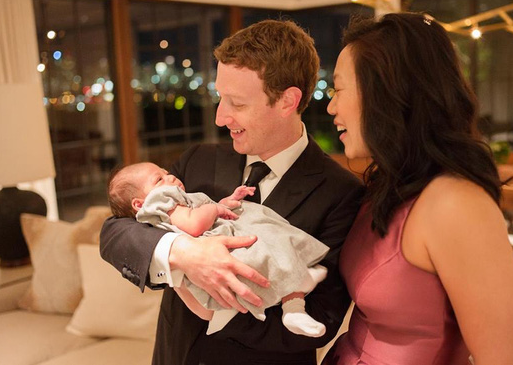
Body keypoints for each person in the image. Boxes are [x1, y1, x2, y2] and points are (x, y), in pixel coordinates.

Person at [100, 19, 365, 365]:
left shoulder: (341, 192)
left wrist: (218, 311)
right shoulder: (197, 161)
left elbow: (322, 318)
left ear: (288, 101)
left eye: (236, 103)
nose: (220, 117)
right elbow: (115, 231)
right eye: (219, 98)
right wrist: (183, 253)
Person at [322, 13, 513, 365]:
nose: (330, 106)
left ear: (388, 91)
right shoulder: (388, 184)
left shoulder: (457, 204)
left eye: (338, 90)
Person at [107, 161, 330, 337]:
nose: (170, 176)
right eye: (159, 178)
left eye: (166, 172)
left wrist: (225, 203)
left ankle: (294, 307)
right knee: (257, 255)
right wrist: (213, 211)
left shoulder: (337, 187)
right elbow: (194, 223)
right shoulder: (161, 201)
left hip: (267, 348)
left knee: (265, 251)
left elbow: (202, 211)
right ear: (139, 204)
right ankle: (295, 289)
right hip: (215, 262)